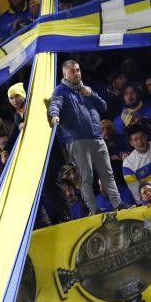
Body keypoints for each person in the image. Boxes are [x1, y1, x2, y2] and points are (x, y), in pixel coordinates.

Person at [49, 59, 126, 214]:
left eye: (78, 70)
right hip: (77, 140)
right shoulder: (60, 90)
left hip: (97, 137)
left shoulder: (86, 89)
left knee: (107, 173)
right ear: (65, 74)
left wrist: (91, 95)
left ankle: (118, 204)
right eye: (72, 71)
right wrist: (55, 115)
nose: (77, 73)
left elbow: (103, 107)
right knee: (86, 177)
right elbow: (55, 104)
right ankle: (94, 210)